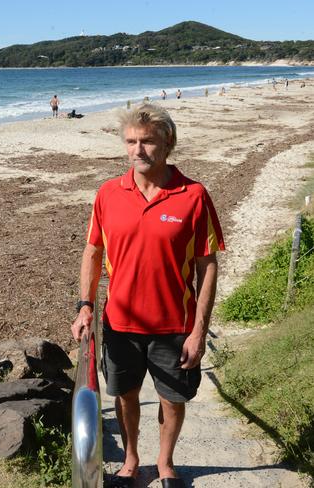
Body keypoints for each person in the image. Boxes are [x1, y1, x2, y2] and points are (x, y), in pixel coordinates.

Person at [71, 104, 224, 488]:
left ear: (167, 143)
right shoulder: (108, 193)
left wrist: (199, 331)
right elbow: (92, 252)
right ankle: (131, 460)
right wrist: (85, 306)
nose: (138, 150)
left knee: (172, 399)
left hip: (175, 324)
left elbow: (208, 265)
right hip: (121, 323)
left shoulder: (193, 195)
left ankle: (166, 463)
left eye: (147, 141)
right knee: (125, 395)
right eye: (131, 142)